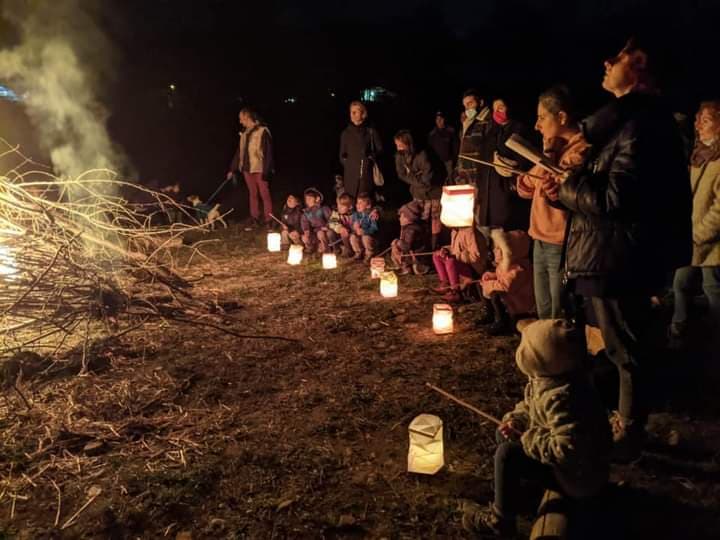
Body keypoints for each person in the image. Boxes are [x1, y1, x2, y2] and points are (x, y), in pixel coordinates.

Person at [556, 37, 692, 460]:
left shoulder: (642, 124)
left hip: (620, 256)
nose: (605, 61)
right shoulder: (621, 123)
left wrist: (568, 185)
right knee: (615, 344)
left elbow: (617, 200)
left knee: (626, 347)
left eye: (614, 58)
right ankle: (618, 420)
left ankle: (629, 430)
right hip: (609, 252)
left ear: (637, 66)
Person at [462, 319, 612, 537]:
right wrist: (516, 420)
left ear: (540, 358)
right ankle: (516, 492)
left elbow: (567, 449)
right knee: (502, 433)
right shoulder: (550, 379)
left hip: (579, 478)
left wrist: (528, 437)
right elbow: (530, 406)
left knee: (508, 454)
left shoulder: (564, 398)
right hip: (565, 464)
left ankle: (500, 520)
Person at [517, 86, 589, 319]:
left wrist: (547, 157)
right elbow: (525, 187)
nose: (537, 125)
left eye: (542, 118)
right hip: (539, 238)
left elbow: (556, 191)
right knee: (544, 310)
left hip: (561, 241)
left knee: (559, 315)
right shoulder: (556, 149)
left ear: (562, 117)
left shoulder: (580, 151)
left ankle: (562, 355)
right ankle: (545, 354)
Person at [671, 101, 720, 343]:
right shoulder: (700, 154)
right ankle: (678, 330)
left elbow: (719, 211)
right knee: (681, 284)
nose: (699, 125)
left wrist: (698, 234)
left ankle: (714, 336)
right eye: (698, 119)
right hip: (691, 238)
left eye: (707, 120)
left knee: (713, 289)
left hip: (711, 244)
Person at [394, 130, 443, 250]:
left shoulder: (422, 155)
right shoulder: (400, 156)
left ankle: (434, 247)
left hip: (434, 192)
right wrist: (416, 179)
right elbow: (401, 174)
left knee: (435, 221)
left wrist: (417, 178)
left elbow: (428, 176)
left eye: (400, 144)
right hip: (418, 193)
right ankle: (423, 247)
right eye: (396, 144)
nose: (398, 147)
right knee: (422, 220)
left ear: (408, 143)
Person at [226, 108, 275, 230]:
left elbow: (268, 152)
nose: (240, 122)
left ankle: (269, 219)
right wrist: (232, 169)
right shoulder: (244, 133)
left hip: (259, 168)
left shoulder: (262, 131)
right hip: (247, 169)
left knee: (264, 194)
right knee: (252, 194)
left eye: (241, 119)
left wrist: (267, 170)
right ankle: (255, 218)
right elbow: (239, 152)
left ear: (248, 117)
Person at [479, 229, 535, 335]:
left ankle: (502, 322)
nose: (494, 251)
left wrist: (489, 285)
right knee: (488, 288)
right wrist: (492, 276)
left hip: (519, 305)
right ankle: (490, 314)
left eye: (498, 248)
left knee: (495, 294)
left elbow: (506, 285)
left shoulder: (519, 269)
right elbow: (502, 276)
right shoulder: (506, 265)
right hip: (510, 300)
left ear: (509, 252)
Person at [339, 101, 383, 200]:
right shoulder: (346, 133)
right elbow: (342, 154)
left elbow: (379, 149)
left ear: (363, 113)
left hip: (366, 174)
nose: (352, 114)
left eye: (355, 112)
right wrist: (348, 163)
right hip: (351, 175)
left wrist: (370, 158)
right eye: (351, 112)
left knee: (364, 201)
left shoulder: (370, 131)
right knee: (351, 202)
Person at [432, 226, 488, 303]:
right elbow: (455, 249)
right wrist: (446, 250)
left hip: (474, 267)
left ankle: (455, 291)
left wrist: (455, 256)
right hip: (462, 261)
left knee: (450, 261)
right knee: (436, 255)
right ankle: (445, 283)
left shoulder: (470, 233)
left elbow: (475, 256)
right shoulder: (455, 231)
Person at [390, 200, 429, 275]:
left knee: (396, 247)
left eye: (401, 216)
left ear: (409, 218)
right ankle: (406, 266)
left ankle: (407, 267)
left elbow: (407, 246)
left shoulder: (411, 230)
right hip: (412, 254)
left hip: (417, 256)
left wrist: (397, 243)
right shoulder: (407, 227)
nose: (399, 218)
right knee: (396, 246)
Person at [300, 188, 332, 254]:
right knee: (305, 237)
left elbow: (330, 219)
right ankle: (311, 247)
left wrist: (327, 226)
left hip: (324, 231)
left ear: (317, 199)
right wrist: (306, 231)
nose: (308, 201)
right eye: (306, 199)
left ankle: (326, 250)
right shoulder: (306, 213)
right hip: (314, 232)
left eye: (310, 199)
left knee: (320, 234)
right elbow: (304, 223)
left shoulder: (323, 209)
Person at [427, 111, 458, 180]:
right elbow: (430, 148)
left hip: (449, 161)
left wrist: (454, 158)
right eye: (437, 119)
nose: (439, 121)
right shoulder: (432, 134)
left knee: (451, 179)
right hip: (437, 163)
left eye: (441, 118)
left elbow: (455, 146)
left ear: (444, 119)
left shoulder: (451, 131)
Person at [350, 192, 379, 262]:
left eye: (360, 203)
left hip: (371, 238)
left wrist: (365, 231)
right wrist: (354, 227)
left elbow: (374, 228)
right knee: (353, 237)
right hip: (359, 237)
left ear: (368, 206)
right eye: (357, 203)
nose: (357, 205)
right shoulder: (355, 215)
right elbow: (352, 227)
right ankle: (358, 252)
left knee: (365, 237)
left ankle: (369, 254)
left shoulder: (371, 215)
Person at [328, 192, 355, 257]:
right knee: (330, 232)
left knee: (346, 233)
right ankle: (336, 250)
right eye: (338, 205)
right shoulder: (336, 213)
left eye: (342, 206)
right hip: (341, 234)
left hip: (351, 235)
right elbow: (332, 222)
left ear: (350, 207)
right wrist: (340, 228)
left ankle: (349, 251)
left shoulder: (355, 214)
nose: (339, 207)